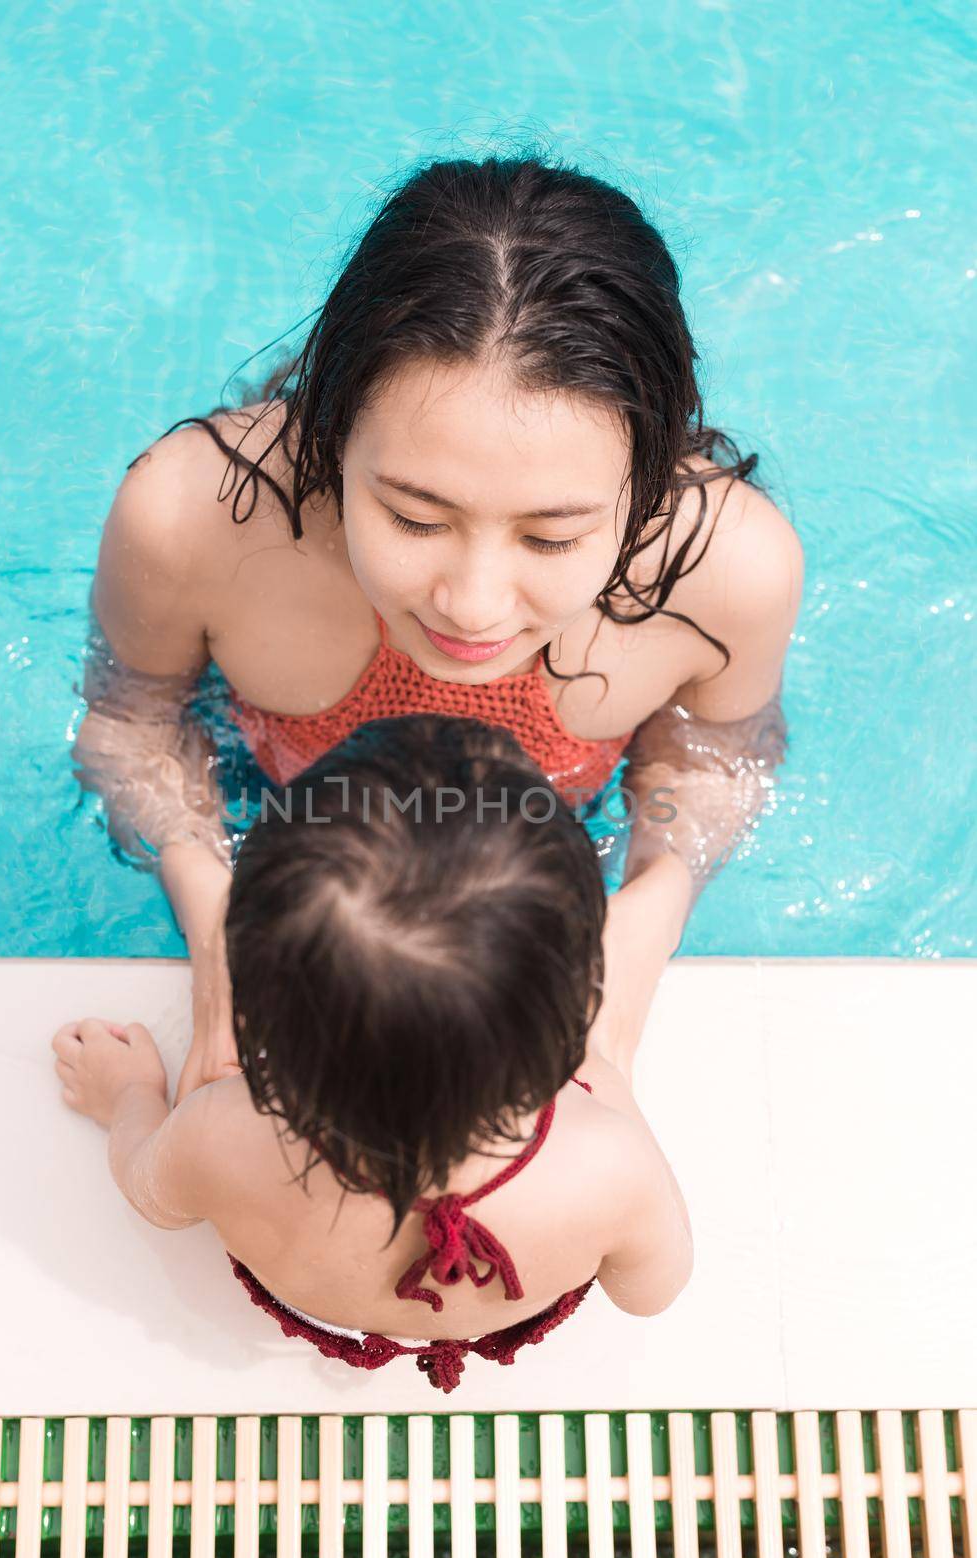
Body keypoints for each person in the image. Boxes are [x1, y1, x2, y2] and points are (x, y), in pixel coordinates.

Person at [71, 149, 803, 1108]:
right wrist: (215, 914)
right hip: (275, 814)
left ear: (650, 481)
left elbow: (714, 760)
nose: (474, 602)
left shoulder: (730, 570)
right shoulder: (193, 520)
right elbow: (133, 724)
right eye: (416, 518)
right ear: (332, 427)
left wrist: (645, 917)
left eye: (553, 536)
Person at [53, 715, 695, 1394]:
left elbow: (152, 1195)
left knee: (178, 829)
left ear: (259, 1023)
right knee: (663, 891)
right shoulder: (607, 1165)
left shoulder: (225, 1130)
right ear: (572, 1011)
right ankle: (655, 884)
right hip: (538, 1185)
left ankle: (202, 884)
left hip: (309, 1280)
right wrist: (604, 1078)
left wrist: (128, 1095)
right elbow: (651, 1291)